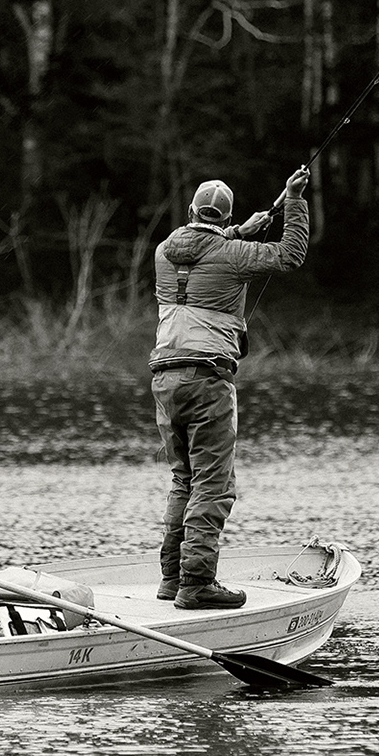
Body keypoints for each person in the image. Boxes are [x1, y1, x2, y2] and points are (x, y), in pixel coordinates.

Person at [151, 164, 310, 608]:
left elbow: (204, 250)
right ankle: (197, 583)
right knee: (213, 484)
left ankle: (171, 579)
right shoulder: (233, 254)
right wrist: (293, 199)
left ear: (189, 210)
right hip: (207, 379)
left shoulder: (164, 251)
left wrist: (241, 231)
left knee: (183, 479)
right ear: (224, 217)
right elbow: (290, 256)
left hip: (164, 378)